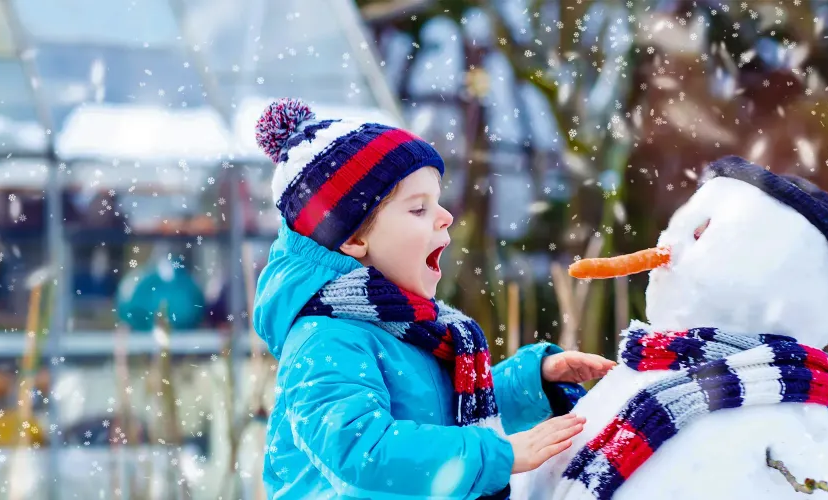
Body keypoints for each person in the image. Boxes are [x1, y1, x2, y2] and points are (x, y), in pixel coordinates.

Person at [252, 98, 616, 499]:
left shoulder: (409, 325)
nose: (445, 217)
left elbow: (444, 414)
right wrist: (499, 455)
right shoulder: (323, 338)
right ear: (354, 239)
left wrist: (531, 382)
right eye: (419, 208)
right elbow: (364, 452)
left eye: (438, 202)